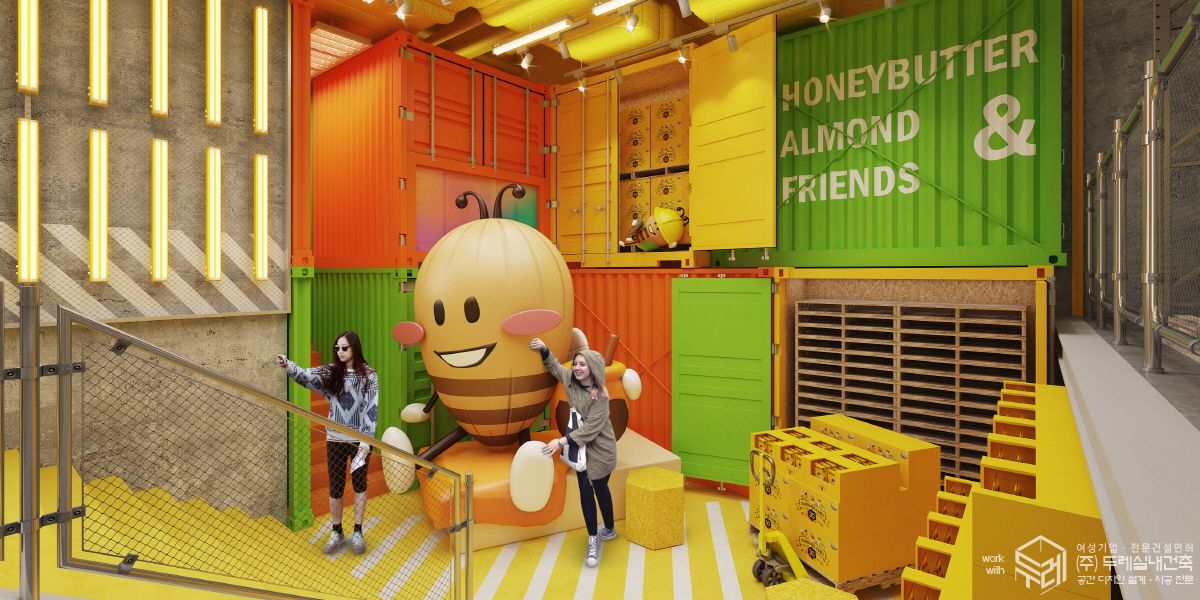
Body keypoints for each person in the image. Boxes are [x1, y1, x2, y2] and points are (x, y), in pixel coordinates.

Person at [277, 331, 379, 555]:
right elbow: (306, 376)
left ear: (354, 348)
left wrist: (366, 442)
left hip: (359, 441)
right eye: (337, 348)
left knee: (360, 484)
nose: (340, 352)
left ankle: (358, 531)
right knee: (336, 486)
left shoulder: (369, 375)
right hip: (334, 438)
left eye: (344, 348)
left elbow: (371, 410)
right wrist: (288, 365)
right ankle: (337, 530)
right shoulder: (331, 372)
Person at [529, 337, 617, 568]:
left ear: (593, 369)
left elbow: (591, 429)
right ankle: (593, 538)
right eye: (576, 363)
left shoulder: (601, 396)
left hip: (601, 448)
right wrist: (544, 349)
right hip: (579, 446)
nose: (576, 368)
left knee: (600, 487)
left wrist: (560, 442)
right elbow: (555, 367)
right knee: (585, 490)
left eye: (582, 364)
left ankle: (609, 527)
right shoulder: (570, 380)